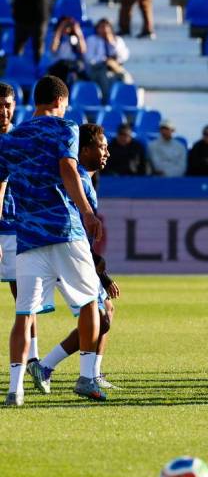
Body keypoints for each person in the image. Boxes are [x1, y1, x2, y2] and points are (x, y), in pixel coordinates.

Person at [0, 75, 105, 407]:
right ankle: (87, 377)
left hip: (27, 237)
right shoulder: (66, 128)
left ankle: (15, 389)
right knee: (91, 303)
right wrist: (88, 212)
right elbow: (67, 168)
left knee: (24, 313)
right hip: (64, 229)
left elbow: (0, 185)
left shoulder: (11, 139)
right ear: (61, 101)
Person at [32, 123, 122, 393]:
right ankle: (47, 366)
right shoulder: (78, 180)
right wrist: (99, 271)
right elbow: (76, 230)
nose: (107, 152)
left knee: (106, 313)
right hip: (67, 255)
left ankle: (92, 373)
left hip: (78, 255)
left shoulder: (86, 179)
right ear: (84, 150)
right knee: (100, 316)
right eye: (101, 147)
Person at [0, 82, 45, 386]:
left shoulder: (22, 140)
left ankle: (33, 360)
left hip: (17, 228)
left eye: (8, 105)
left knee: (24, 297)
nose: (3, 111)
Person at [85, 19, 133, 99]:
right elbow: (89, 59)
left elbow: (124, 56)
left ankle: (126, 100)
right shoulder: (92, 40)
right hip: (97, 68)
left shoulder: (117, 40)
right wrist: (103, 60)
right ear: (97, 28)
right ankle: (107, 101)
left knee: (125, 76)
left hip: (114, 67)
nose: (104, 29)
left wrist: (111, 43)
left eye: (107, 27)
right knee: (105, 77)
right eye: (102, 27)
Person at [11, 0, 56, 64]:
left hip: (23, 12)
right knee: (38, 47)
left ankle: (17, 68)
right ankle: (37, 71)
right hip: (38, 13)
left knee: (19, 46)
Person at [47, 16, 88, 86]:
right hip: (58, 66)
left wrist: (78, 32)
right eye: (65, 26)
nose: (66, 28)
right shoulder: (55, 37)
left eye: (68, 26)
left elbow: (82, 50)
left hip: (72, 65)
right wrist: (59, 30)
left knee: (78, 70)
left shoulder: (73, 38)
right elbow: (53, 48)